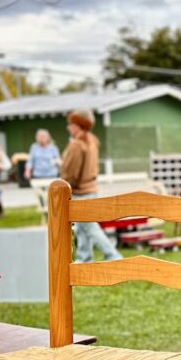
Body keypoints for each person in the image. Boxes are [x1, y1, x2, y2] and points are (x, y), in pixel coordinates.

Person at [60, 110, 121, 262]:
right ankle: (85, 257)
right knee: (82, 228)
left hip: (80, 191)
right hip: (91, 188)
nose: (68, 127)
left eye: (71, 124)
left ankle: (113, 256)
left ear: (78, 125)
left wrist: (64, 185)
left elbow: (71, 172)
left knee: (89, 227)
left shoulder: (77, 145)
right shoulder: (92, 141)